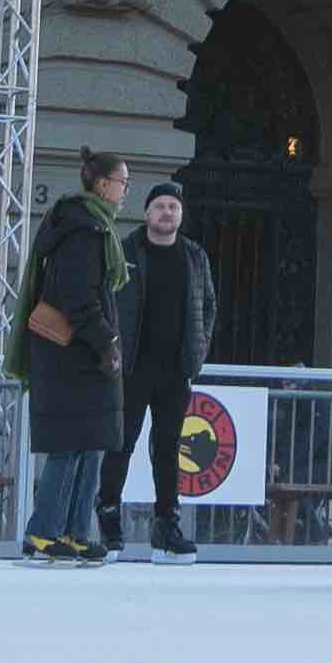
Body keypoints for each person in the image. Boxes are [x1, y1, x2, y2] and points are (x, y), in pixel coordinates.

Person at [9, 152, 128, 558]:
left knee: (90, 445)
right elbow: (78, 298)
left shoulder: (91, 227)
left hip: (79, 358)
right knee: (70, 446)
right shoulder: (84, 231)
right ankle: (44, 532)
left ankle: (76, 532)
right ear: (101, 185)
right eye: (122, 182)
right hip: (72, 357)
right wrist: (106, 340)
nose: (125, 191)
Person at [114, 176, 222, 556]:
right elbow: (108, 303)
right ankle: (109, 518)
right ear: (146, 213)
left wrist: (199, 349)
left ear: (181, 215)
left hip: (175, 370)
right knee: (120, 444)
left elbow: (208, 305)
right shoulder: (125, 249)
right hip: (131, 369)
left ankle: (167, 527)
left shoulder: (194, 256)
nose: (167, 212)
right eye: (160, 206)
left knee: (167, 449)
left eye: (173, 207)